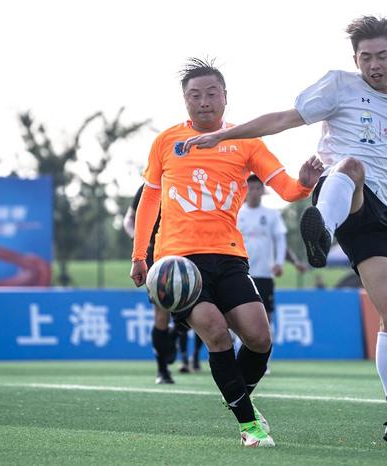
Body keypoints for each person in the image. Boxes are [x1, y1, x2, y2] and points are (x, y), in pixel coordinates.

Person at [183, 17, 387, 449]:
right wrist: (224, 135)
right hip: (337, 191)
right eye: (365, 57)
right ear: (355, 60)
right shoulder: (339, 85)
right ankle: (321, 231)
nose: (373, 64)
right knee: (351, 165)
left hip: (375, 213)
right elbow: (284, 119)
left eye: (381, 56)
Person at [130, 58, 323, 448]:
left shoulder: (247, 140)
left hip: (230, 256)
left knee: (259, 338)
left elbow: (285, 188)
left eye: (211, 93)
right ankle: (249, 426)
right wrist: (139, 255)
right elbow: (150, 198)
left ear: (224, 97)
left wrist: (304, 185)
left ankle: (237, 398)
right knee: (216, 333)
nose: (204, 102)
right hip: (179, 265)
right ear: (185, 101)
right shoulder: (166, 141)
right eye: (194, 95)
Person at [237, 174, 307, 373]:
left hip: (264, 275)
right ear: (245, 190)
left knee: (265, 319)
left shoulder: (272, 214)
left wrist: (278, 263)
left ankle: (262, 361)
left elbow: (279, 240)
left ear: (262, 190)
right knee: (238, 319)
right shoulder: (236, 213)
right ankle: (238, 358)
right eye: (250, 188)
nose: (254, 192)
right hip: (241, 273)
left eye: (258, 188)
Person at [123, 184, 177, 384]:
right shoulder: (149, 187)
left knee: (192, 312)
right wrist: (138, 240)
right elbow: (128, 219)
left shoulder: (190, 178)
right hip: (157, 255)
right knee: (161, 314)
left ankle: (173, 336)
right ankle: (162, 370)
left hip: (188, 251)